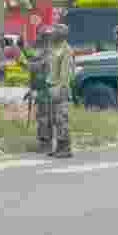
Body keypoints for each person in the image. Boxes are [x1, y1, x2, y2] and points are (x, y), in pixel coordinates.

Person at [25, 25, 53, 153]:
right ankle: (47, 142)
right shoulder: (47, 52)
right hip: (47, 89)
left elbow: (36, 71)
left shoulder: (46, 53)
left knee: (44, 117)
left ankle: (45, 143)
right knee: (47, 116)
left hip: (46, 89)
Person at [47, 24, 74, 158]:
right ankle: (58, 147)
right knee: (54, 120)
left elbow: (66, 73)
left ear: (61, 35)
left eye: (54, 33)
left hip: (60, 88)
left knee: (61, 118)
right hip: (51, 87)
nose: (52, 35)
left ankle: (65, 148)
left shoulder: (66, 50)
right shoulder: (53, 48)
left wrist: (62, 88)